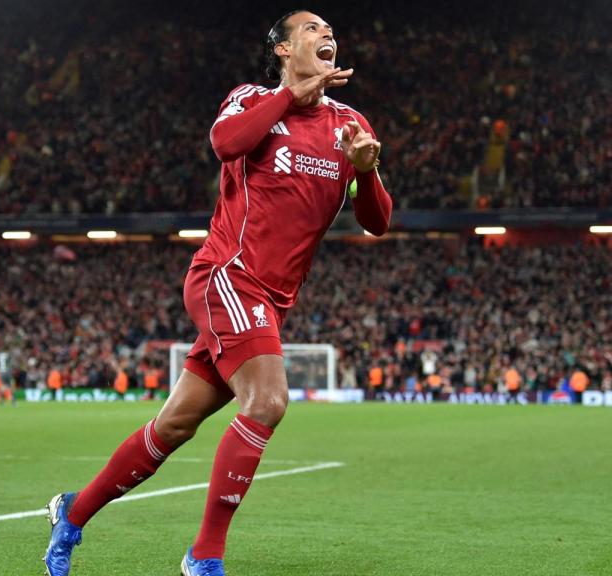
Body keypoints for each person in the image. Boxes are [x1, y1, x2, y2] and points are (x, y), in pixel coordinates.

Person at [42, 10, 391, 576]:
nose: (327, 35)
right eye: (311, 29)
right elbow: (226, 143)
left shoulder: (350, 124)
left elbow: (377, 222)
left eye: (330, 31)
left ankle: (72, 514)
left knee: (174, 426)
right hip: (227, 277)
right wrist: (292, 95)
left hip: (272, 301)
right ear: (281, 47)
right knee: (269, 401)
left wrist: (367, 173)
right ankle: (203, 557)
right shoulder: (251, 98)